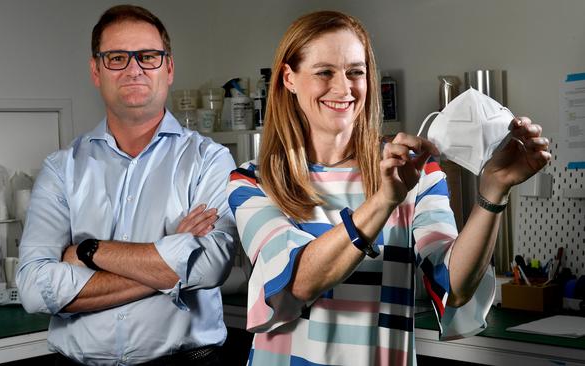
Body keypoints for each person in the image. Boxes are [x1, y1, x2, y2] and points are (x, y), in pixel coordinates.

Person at [227, 10, 551, 366]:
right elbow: (298, 282)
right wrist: (384, 201)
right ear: (289, 78)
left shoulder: (414, 171)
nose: (343, 87)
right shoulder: (256, 181)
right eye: (324, 72)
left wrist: (494, 192)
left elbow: (454, 285)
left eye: (356, 72)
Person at [17, 4, 237, 365]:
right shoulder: (61, 169)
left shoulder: (209, 160)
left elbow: (210, 266)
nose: (134, 69)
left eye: (148, 56)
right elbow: (34, 289)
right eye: (117, 57)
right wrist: (171, 257)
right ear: (96, 70)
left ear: (168, 68)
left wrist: (89, 251)